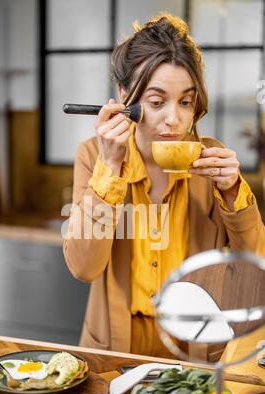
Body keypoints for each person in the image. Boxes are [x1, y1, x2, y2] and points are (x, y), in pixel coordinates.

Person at [64, 13, 265, 357]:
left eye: (186, 102)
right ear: (125, 96)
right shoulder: (94, 156)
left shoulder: (212, 159)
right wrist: (110, 168)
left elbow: (254, 268)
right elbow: (84, 267)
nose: (174, 119)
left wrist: (234, 194)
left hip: (197, 351)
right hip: (115, 350)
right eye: (157, 102)